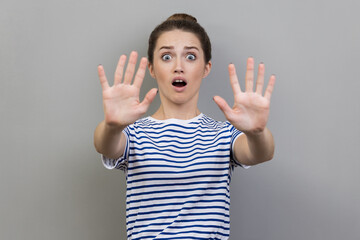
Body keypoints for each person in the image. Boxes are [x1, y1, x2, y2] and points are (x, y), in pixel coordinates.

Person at [94, 13, 275, 240]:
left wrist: (257, 132)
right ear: (152, 68)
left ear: (206, 67)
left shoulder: (223, 135)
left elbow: (261, 152)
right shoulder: (133, 133)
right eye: (167, 57)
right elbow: (105, 145)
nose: (178, 67)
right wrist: (112, 126)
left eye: (190, 56)